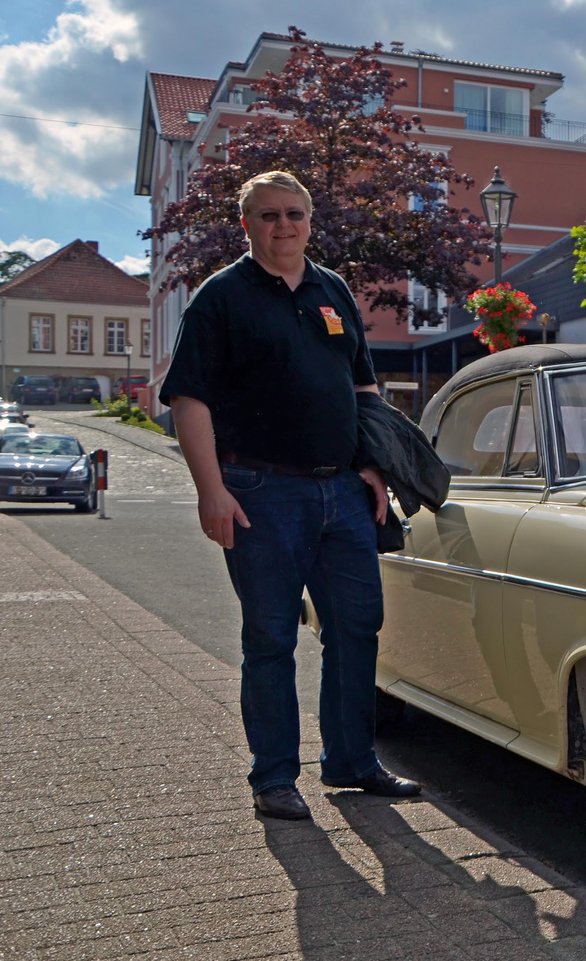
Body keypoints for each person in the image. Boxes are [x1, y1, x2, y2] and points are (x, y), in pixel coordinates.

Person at [161, 169, 420, 820]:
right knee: (271, 636)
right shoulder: (221, 299)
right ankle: (275, 776)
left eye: (294, 214)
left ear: (310, 221)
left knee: (357, 628)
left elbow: (363, 391)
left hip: (342, 491)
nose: (283, 226)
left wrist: (373, 466)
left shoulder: (333, 291)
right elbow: (189, 400)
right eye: (269, 215)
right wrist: (210, 490)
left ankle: (351, 761)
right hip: (258, 491)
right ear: (246, 225)